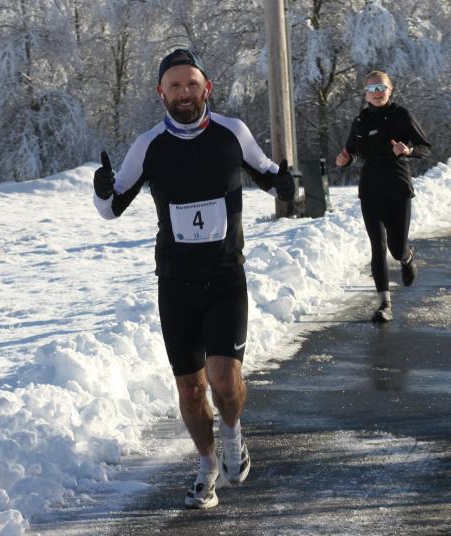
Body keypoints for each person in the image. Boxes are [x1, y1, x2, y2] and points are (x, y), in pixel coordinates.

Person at [93, 48, 295, 510]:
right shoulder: (148, 145)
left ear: (207, 88)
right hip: (176, 283)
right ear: (160, 93)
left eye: (191, 84)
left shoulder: (232, 132)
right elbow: (111, 208)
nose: (184, 93)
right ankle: (206, 466)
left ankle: (233, 433)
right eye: (175, 86)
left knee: (225, 379)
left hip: (225, 278)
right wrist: (101, 190)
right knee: (190, 388)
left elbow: (270, 175)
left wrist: (285, 184)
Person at [334, 70, 432, 323]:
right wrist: (345, 160)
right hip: (370, 189)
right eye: (372, 89)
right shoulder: (360, 120)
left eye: (381, 88)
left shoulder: (402, 115)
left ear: (390, 90)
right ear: (365, 93)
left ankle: (406, 257)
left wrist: (408, 149)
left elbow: (425, 148)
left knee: (396, 248)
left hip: (398, 186)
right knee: (377, 246)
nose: (377, 93)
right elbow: (351, 152)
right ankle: (384, 304)